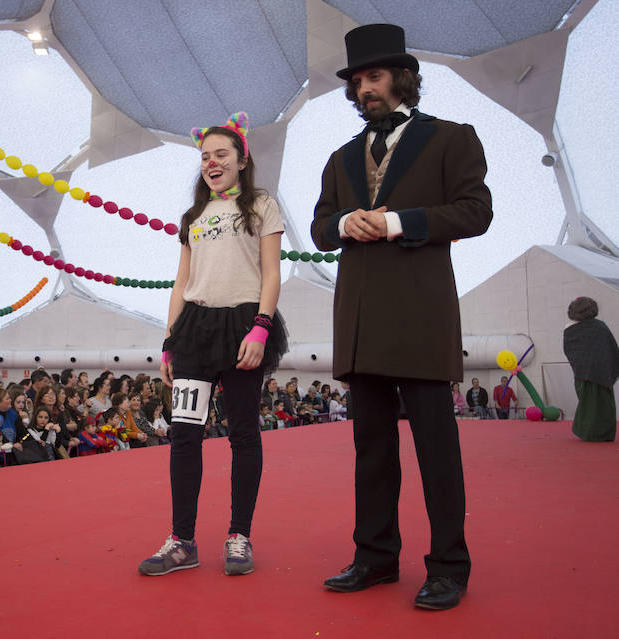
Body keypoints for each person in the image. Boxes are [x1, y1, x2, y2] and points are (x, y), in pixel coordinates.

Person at [311, 24, 492, 610]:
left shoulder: (451, 138)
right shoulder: (339, 158)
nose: (364, 87)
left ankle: (448, 565)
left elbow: (475, 211)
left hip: (420, 317)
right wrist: (344, 224)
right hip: (360, 322)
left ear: (403, 79)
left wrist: (394, 221)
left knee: (437, 450)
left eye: (374, 76)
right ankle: (375, 557)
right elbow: (319, 227)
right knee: (372, 450)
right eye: (357, 80)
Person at [138, 111, 287, 578]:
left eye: (221, 154)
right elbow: (181, 282)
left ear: (242, 159)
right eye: (205, 157)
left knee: (243, 433)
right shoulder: (193, 216)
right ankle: (182, 541)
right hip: (195, 333)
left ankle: (238, 536)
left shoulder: (262, 205)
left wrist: (261, 328)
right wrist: (168, 341)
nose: (211, 163)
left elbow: (271, 273)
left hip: (244, 326)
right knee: (184, 434)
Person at [563, 296, 619, 441]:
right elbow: (611, 348)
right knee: (604, 405)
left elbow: (571, 350)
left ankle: (588, 432)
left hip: (584, 373)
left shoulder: (571, 329)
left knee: (588, 405)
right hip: (601, 372)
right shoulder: (599, 326)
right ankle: (603, 434)